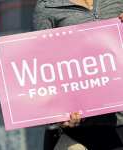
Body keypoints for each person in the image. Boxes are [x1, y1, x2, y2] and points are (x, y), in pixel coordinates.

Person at [33, 0, 123, 149]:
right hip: (73, 130)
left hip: (118, 123)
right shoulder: (48, 6)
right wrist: (56, 115)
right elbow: (40, 69)